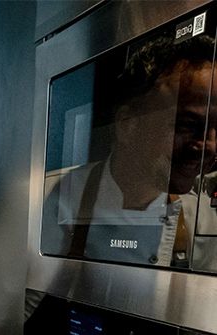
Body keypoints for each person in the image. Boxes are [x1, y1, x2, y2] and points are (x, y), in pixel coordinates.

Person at [42, 33, 217, 267]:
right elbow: (25, 295)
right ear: (126, 125)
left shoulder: (201, 218)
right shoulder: (57, 198)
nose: (210, 146)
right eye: (186, 124)